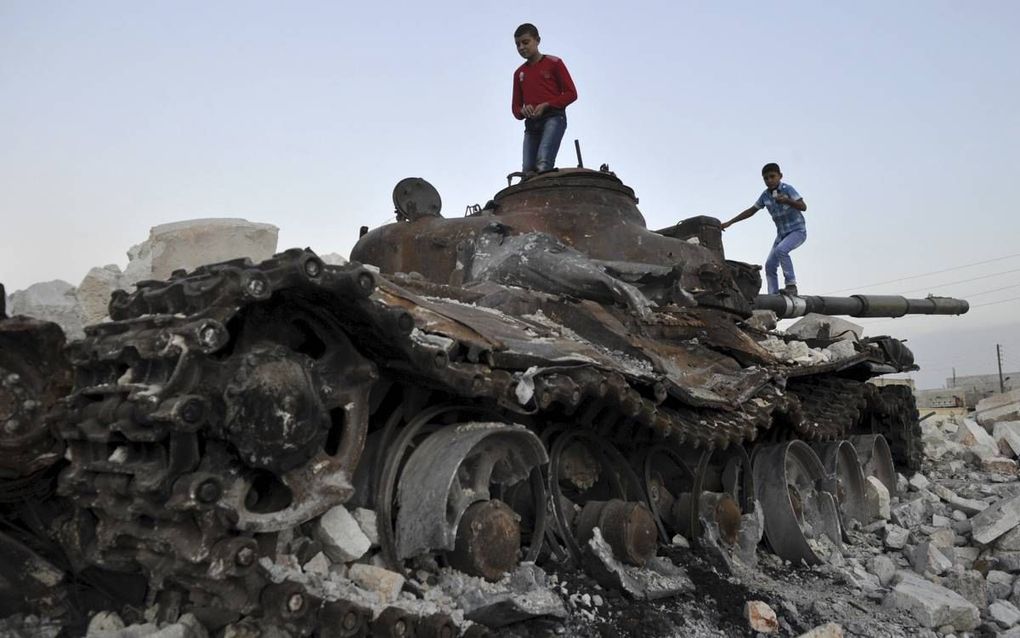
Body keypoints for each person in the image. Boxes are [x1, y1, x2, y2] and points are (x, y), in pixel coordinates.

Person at [721, 163, 808, 295]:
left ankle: (791, 286)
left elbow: (803, 206)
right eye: (766, 178)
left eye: (772, 177)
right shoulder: (765, 195)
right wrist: (730, 222)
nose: (769, 181)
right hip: (782, 235)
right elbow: (751, 210)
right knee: (770, 265)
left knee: (781, 250)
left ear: (780, 176)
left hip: (797, 231)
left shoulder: (787, 189)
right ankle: (773, 296)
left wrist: (787, 201)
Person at [511, 23, 577, 175]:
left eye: (525, 42)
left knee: (543, 163)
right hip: (531, 125)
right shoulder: (519, 73)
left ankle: (549, 196)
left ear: (537, 40)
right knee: (527, 171)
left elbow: (571, 93)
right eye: (517, 44)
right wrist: (523, 110)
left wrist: (548, 105)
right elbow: (515, 108)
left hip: (553, 118)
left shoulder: (554, 63)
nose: (521, 47)